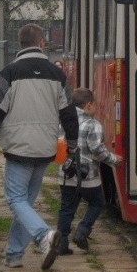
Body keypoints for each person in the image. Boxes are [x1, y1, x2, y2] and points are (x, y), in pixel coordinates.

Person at [0, 23, 79, 271]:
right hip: (45, 148)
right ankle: (14, 255)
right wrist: (73, 144)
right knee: (25, 203)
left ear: (21, 44)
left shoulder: (9, 73)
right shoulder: (58, 76)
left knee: (16, 200)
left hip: (18, 148)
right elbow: (69, 113)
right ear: (42, 43)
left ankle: (44, 235)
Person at [56, 87, 123, 255]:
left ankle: (61, 244)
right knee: (97, 202)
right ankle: (83, 230)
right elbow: (97, 150)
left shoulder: (64, 121)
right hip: (88, 177)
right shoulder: (93, 125)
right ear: (89, 105)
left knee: (67, 209)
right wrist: (115, 160)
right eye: (95, 104)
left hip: (66, 173)